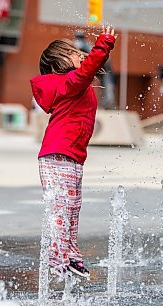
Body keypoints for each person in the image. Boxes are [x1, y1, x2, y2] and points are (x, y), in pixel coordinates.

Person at [30, 26, 117, 278]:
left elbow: (89, 69)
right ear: (59, 65)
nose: (79, 54)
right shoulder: (70, 83)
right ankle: (57, 258)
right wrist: (105, 43)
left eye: (78, 50)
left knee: (72, 208)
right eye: (71, 52)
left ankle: (70, 255)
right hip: (58, 155)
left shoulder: (76, 84)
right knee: (60, 208)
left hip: (72, 157)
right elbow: (89, 68)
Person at [74, 30, 117, 109]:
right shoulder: (87, 44)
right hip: (100, 64)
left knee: (106, 83)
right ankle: (108, 100)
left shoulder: (79, 44)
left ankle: (108, 100)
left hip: (101, 65)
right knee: (106, 83)